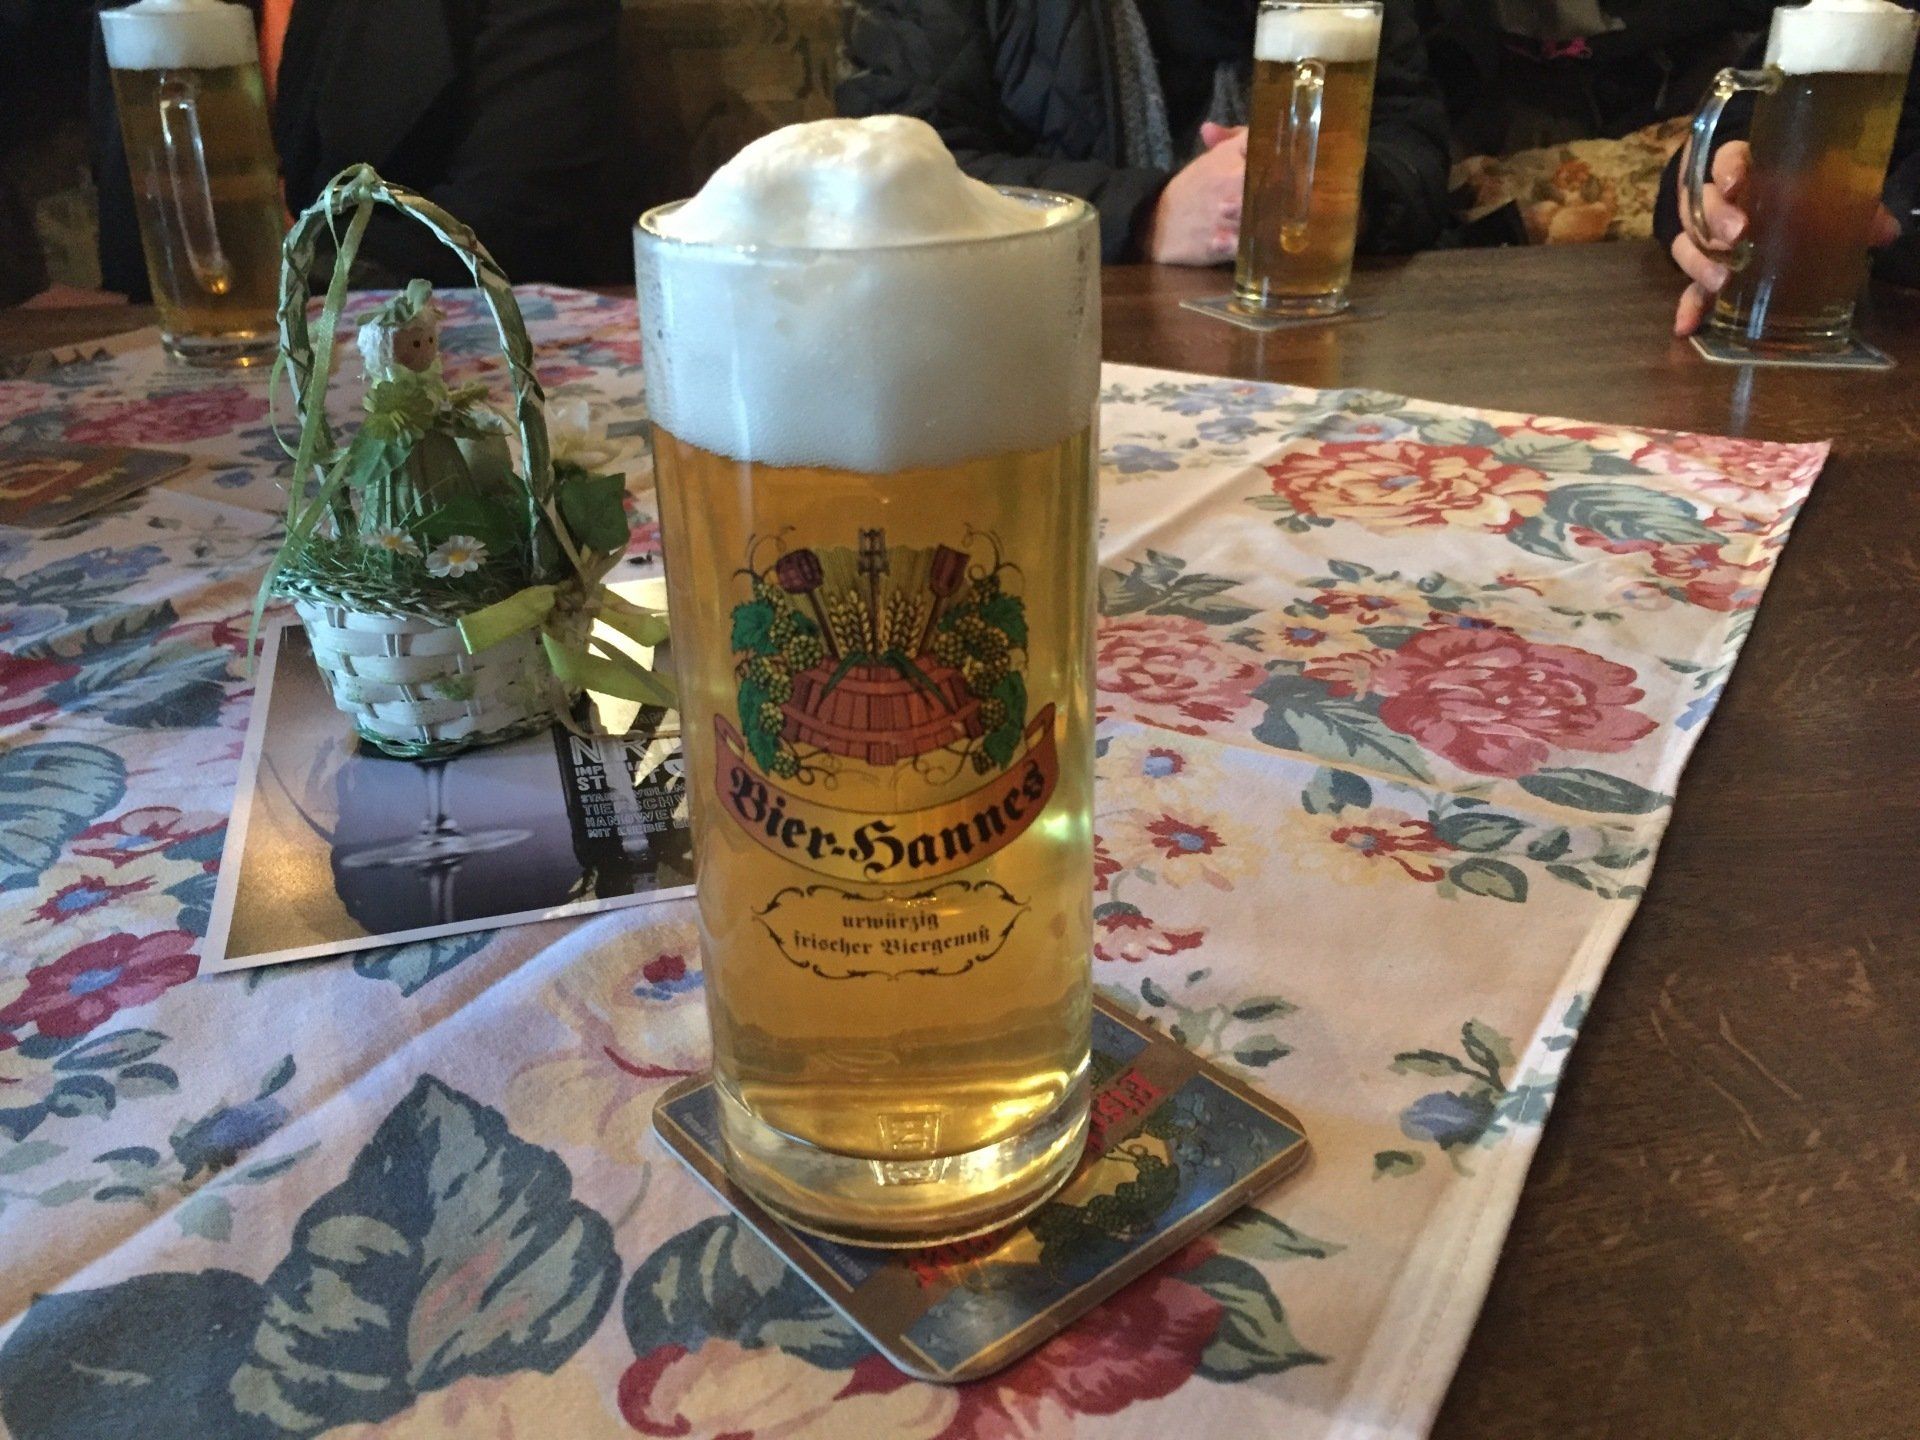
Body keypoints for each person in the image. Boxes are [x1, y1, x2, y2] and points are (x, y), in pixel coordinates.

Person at [838, 0, 1451, 265]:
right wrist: (1146, 217)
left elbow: (1412, 135)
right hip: (1051, 351)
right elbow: (891, 173)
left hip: (1318, 346)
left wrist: (1350, 196)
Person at [89, 0, 635, 296]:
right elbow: (134, 238)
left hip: (437, 379)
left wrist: (273, 284)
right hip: (183, 387)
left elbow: (517, 221)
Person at [1656, 7, 1920, 334]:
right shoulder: (1861, 16)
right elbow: (1737, 108)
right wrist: (1714, 186)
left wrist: (1901, 218)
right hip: (1854, 323)